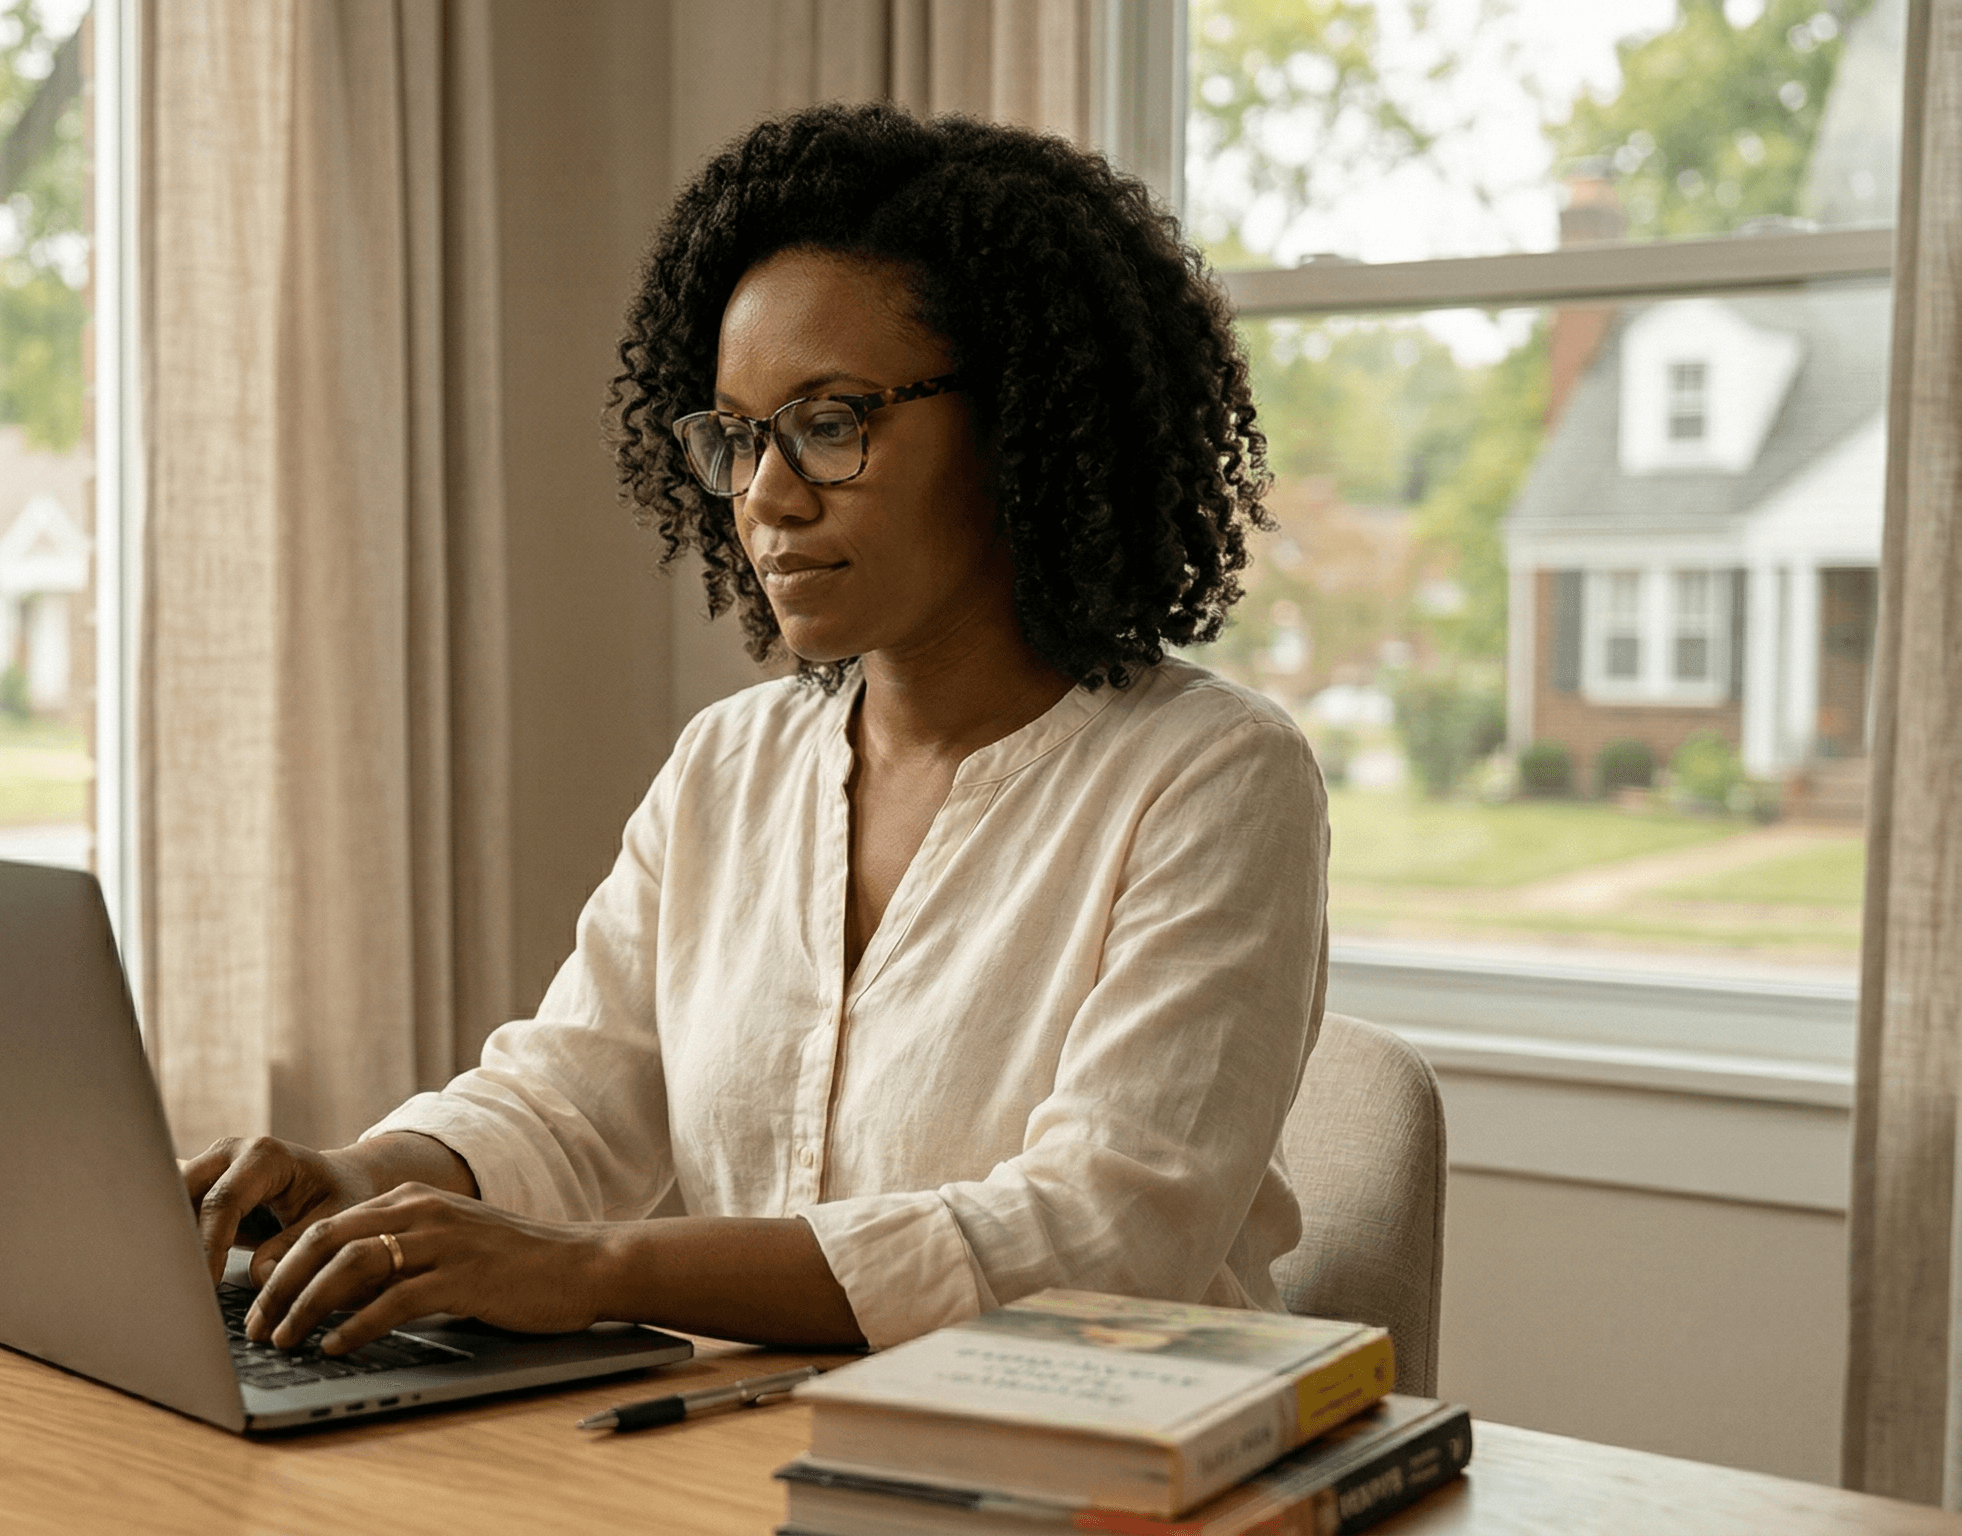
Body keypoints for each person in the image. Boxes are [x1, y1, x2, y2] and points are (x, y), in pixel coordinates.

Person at [183, 102, 1325, 1358]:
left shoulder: (1212, 777)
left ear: (1023, 423)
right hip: (743, 1448)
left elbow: (1097, 1238)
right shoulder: (730, 763)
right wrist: (368, 1177)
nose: (766, 498)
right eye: (737, 437)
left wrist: (595, 1268)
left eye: (831, 423)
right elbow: (569, 1103)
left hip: (1097, 1474)